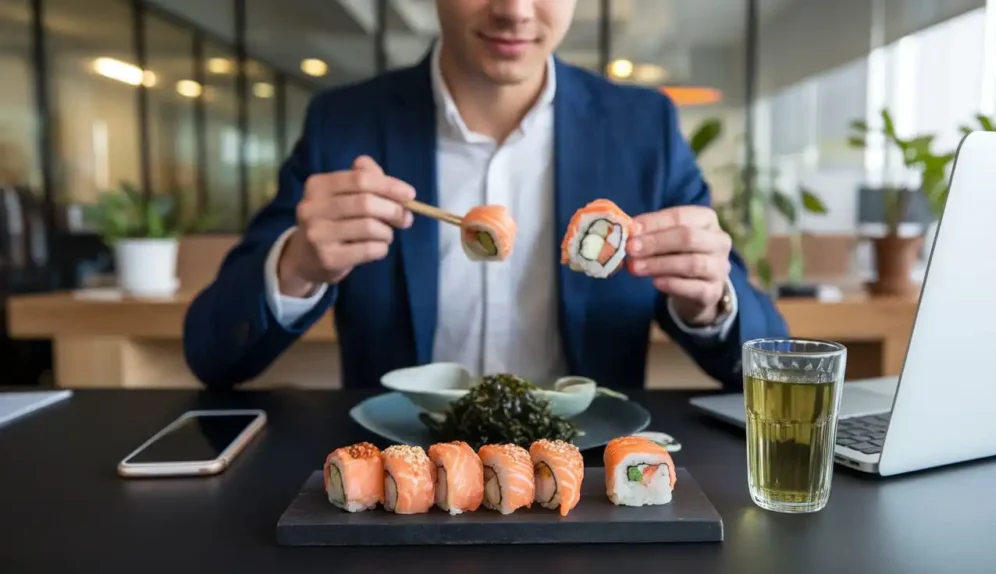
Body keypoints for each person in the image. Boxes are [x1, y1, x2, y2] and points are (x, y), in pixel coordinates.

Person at [183, 0, 789, 392]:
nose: (515, 11)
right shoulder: (344, 125)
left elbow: (768, 358)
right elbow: (214, 354)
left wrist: (711, 302)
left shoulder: (642, 128)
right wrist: (294, 266)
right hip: (399, 487)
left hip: (588, 491)